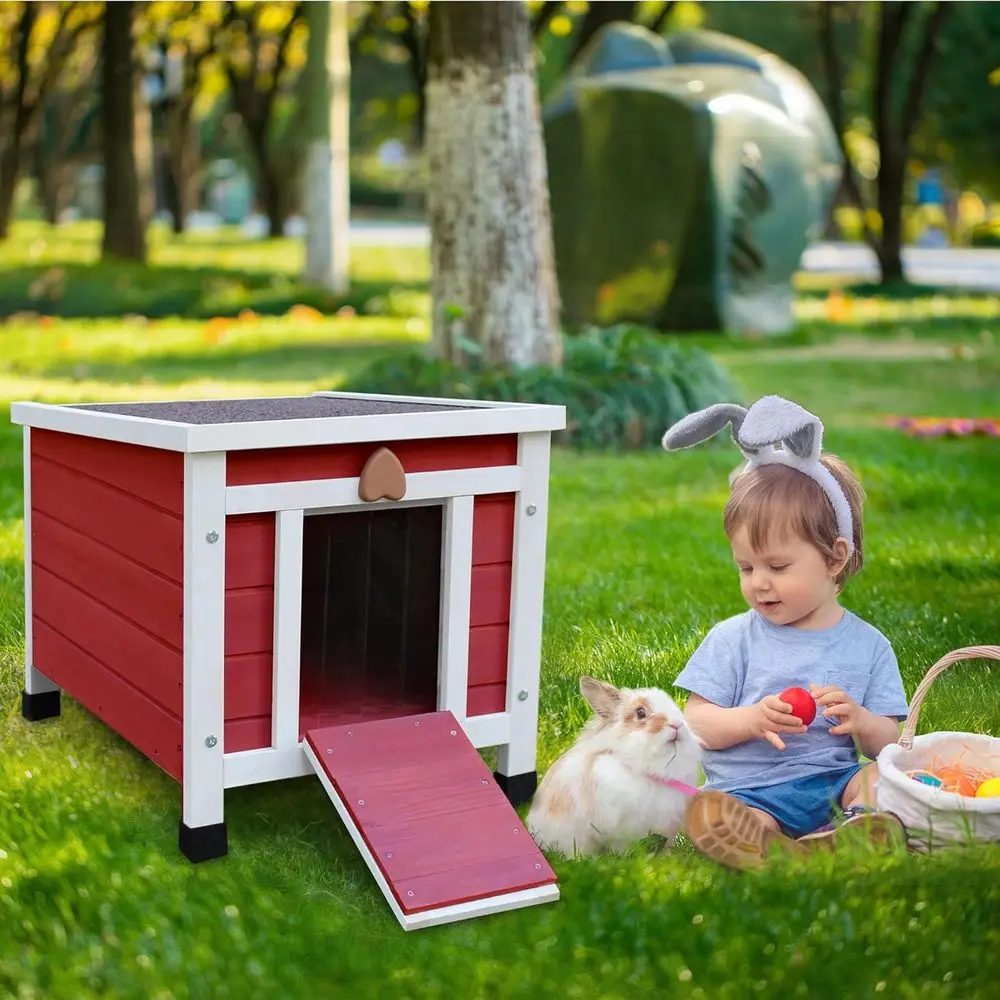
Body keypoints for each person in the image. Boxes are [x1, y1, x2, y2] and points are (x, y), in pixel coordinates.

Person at [661, 395, 910, 869]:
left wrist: (861, 721)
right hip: (750, 790)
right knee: (727, 813)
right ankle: (764, 838)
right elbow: (697, 725)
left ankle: (849, 827)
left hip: (833, 785)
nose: (759, 582)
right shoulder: (733, 639)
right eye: (746, 567)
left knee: (879, 778)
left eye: (777, 567)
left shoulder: (870, 647)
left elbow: (891, 741)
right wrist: (751, 719)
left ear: (835, 558)